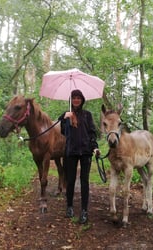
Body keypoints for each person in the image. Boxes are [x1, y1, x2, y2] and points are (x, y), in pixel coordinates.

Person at [59, 89, 100, 224]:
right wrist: (66, 120)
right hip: (71, 152)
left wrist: (95, 147)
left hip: (86, 152)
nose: (76, 100)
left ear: (82, 100)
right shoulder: (65, 115)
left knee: (84, 181)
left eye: (79, 98)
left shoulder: (87, 115)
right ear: (71, 100)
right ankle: (69, 207)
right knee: (70, 181)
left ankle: (84, 211)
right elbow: (64, 133)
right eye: (74, 98)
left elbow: (92, 132)